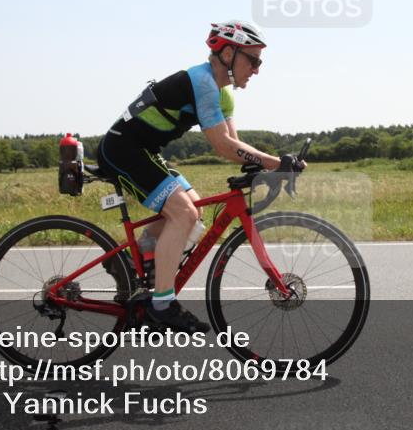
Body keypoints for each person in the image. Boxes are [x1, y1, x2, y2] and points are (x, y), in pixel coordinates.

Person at [97, 21, 303, 333]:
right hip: (122, 148)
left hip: (144, 150)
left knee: (195, 210)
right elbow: (222, 145)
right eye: (253, 60)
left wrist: (265, 167)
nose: (257, 69)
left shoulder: (223, 95)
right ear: (228, 52)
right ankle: (161, 306)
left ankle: (130, 262)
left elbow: (232, 146)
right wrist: (277, 164)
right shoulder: (203, 82)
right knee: (183, 213)